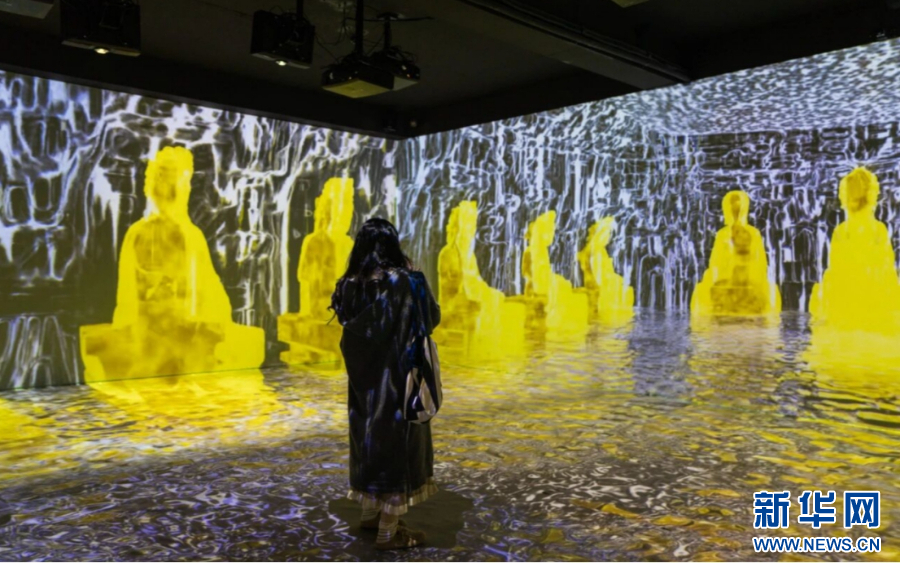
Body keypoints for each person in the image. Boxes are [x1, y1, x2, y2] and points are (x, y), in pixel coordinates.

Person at [330, 217, 441, 550]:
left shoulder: (348, 284)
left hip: (364, 382)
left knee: (368, 442)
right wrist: (414, 277)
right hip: (398, 381)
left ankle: (370, 515)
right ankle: (388, 533)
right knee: (398, 450)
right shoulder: (406, 282)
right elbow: (431, 317)